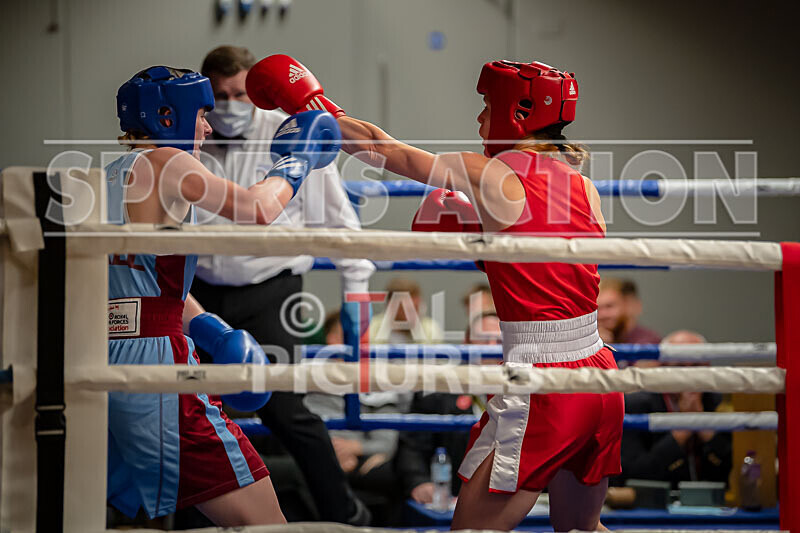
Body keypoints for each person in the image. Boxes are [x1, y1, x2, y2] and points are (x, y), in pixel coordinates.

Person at [245, 55, 624, 531]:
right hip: (599, 377)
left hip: (545, 382)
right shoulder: (585, 186)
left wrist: (313, 106)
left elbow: (381, 148)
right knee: (581, 529)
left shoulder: (488, 173)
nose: (479, 118)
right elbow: (553, 267)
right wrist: (484, 235)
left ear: (516, 114)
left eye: (487, 106)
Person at [105, 66, 337, 525]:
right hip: (159, 366)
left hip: (111, 356)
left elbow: (145, 286)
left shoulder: (110, 174)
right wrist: (296, 160)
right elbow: (256, 209)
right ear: (168, 115)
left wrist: (213, 330)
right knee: (265, 522)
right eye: (202, 113)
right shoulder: (167, 162)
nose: (208, 126)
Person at [190, 45, 373, 526]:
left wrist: (357, 297)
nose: (230, 104)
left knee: (285, 409)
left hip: (270, 287)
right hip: (200, 295)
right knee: (188, 405)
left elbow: (339, 222)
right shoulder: (192, 135)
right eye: (220, 95)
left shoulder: (292, 131)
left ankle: (344, 515)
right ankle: (187, 523)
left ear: (257, 92)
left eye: (239, 93)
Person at [303, 310, 408, 525]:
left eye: (360, 336)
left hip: (363, 461)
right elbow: (301, 427)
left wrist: (357, 447)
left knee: (393, 473)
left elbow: (387, 441)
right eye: (343, 335)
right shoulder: (308, 376)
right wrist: (330, 452)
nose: (353, 342)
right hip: (317, 456)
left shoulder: (378, 378)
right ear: (329, 339)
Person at [395, 310, 501, 506]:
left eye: (500, 342)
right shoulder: (436, 390)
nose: (491, 349)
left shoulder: (527, 394)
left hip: (508, 497)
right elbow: (412, 447)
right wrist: (419, 482)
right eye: (484, 340)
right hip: (449, 498)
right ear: (466, 344)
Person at [616, 330, 732, 489]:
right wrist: (682, 428)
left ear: (708, 367)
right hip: (656, 507)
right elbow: (634, 473)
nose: (689, 374)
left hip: (719, 504)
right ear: (662, 367)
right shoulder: (636, 405)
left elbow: (737, 467)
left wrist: (703, 426)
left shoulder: (721, 403)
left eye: (696, 366)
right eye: (679, 366)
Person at [368, 278, 444, 344]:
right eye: (408, 310)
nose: (414, 315)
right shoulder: (371, 331)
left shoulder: (431, 331)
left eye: (416, 308)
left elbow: (439, 360)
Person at [597, 278, 661, 344]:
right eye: (597, 308)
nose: (602, 314)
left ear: (627, 306)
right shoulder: (594, 340)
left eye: (609, 306)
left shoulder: (647, 342)